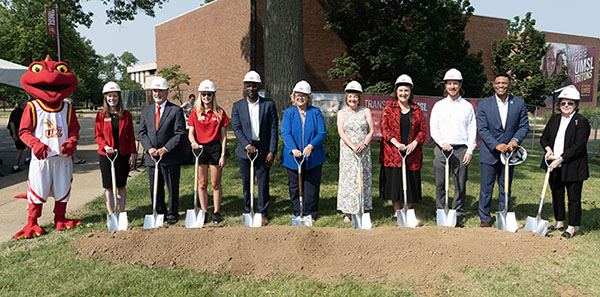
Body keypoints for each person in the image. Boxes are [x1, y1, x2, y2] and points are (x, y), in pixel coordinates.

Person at [476, 73, 529, 227]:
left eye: (504, 83)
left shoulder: (518, 103)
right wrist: (496, 145)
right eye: (498, 83)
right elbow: (482, 128)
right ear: (493, 85)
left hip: (509, 154)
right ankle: (485, 217)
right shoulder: (484, 104)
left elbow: (524, 126)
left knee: (505, 187)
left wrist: (515, 140)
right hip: (490, 153)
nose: (501, 86)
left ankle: (502, 214)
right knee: (486, 188)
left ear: (509, 84)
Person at [540, 86, 590, 238]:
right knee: (557, 194)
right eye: (563, 103)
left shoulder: (581, 121)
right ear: (559, 105)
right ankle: (559, 222)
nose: (566, 106)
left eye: (570, 103)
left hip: (573, 166)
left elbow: (578, 146)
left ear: (576, 104)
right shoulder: (554, 119)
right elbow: (544, 138)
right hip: (553, 163)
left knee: (573, 198)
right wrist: (548, 149)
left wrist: (561, 159)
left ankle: (571, 227)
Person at [429, 68, 476, 226]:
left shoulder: (467, 106)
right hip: (442, 149)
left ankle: (458, 213)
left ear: (460, 84)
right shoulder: (439, 105)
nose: (452, 86)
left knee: (460, 184)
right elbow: (433, 128)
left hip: (461, 149)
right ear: (445, 86)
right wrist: (442, 142)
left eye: (455, 83)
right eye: (449, 83)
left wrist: (470, 150)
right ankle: (440, 211)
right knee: (440, 183)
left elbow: (472, 129)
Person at [231, 71, 278, 225]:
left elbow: (273, 129)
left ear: (259, 87)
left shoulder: (268, 104)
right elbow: (236, 128)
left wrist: (272, 150)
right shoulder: (237, 106)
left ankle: (263, 212)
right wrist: (247, 145)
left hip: (263, 149)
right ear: (245, 87)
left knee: (263, 183)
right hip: (245, 151)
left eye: (254, 86)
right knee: (246, 182)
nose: (251, 88)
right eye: (248, 86)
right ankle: (248, 210)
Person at [139, 77, 186, 225]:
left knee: (172, 186)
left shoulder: (176, 110)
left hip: (170, 156)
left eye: (160, 90)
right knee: (155, 187)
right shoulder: (146, 111)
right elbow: (142, 133)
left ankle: (172, 213)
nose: (157, 93)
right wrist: (149, 149)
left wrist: (165, 148)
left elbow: (180, 133)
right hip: (152, 158)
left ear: (167, 92)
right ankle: (159, 212)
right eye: (154, 90)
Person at [380, 75, 427, 221]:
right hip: (393, 153)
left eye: (406, 90)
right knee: (395, 182)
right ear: (396, 91)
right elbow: (384, 127)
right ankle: (397, 211)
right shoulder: (389, 108)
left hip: (412, 153)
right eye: (400, 90)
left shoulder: (417, 109)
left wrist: (414, 143)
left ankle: (408, 209)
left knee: (410, 181)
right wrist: (397, 144)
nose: (403, 94)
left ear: (410, 92)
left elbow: (422, 130)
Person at [281, 80, 327, 221]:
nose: (300, 98)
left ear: (308, 98)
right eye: (297, 95)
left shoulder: (315, 112)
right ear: (294, 96)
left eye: (303, 95)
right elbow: (285, 132)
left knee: (311, 185)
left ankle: (310, 212)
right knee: (295, 185)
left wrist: (310, 146)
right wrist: (293, 148)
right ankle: (298, 211)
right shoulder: (289, 113)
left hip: (313, 156)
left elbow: (322, 132)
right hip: (293, 157)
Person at [188, 79, 229, 224]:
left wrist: (223, 154)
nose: (206, 97)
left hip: (215, 149)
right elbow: (190, 133)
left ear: (213, 95)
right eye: (204, 94)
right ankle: (204, 211)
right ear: (200, 95)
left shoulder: (219, 112)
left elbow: (224, 136)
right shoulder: (194, 112)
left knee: (215, 183)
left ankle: (217, 212)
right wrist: (193, 142)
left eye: (209, 94)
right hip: (200, 149)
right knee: (202, 183)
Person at [94, 82, 136, 219]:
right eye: (110, 96)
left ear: (119, 97)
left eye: (115, 96)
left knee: (121, 185)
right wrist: (106, 146)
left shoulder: (126, 114)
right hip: (106, 155)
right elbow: (98, 135)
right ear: (106, 98)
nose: (112, 99)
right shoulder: (101, 115)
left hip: (122, 154)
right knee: (108, 186)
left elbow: (131, 135)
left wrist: (132, 153)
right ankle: (111, 213)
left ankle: (122, 212)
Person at [336, 81, 374, 223]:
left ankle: (361, 209)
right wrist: (352, 145)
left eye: (355, 97)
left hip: (363, 150)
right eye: (350, 97)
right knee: (349, 180)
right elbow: (341, 131)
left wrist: (363, 144)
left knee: (361, 178)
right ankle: (349, 211)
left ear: (359, 98)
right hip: (348, 151)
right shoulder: (342, 113)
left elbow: (371, 131)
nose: (352, 99)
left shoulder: (366, 111)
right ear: (346, 98)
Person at [8, 100, 30, 173]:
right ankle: (15, 166)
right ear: (22, 105)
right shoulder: (16, 112)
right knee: (20, 148)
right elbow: (12, 123)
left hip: (22, 131)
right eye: (25, 104)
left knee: (27, 146)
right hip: (17, 131)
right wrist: (14, 134)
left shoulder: (24, 111)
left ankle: (28, 159)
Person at [63, 98, 85, 164]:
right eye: (69, 103)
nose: (71, 105)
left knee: (73, 143)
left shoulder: (70, 111)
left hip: (71, 132)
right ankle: (75, 158)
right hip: (66, 132)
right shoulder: (63, 112)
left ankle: (74, 157)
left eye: (72, 104)